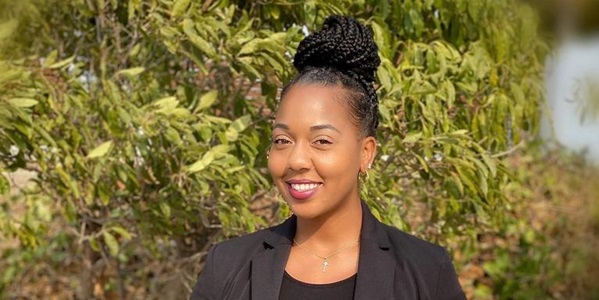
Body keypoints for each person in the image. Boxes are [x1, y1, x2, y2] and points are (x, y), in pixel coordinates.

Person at [191, 15, 465, 300]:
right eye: (282, 140)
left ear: (366, 153)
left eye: (321, 141)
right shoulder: (227, 266)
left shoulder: (426, 272)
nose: (296, 160)